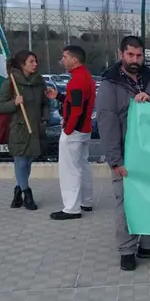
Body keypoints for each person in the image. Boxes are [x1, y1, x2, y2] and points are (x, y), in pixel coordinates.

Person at [98, 36, 150, 271]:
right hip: (127, 154)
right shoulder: (110, 83)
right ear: (121, 54)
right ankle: (127, 250)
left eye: (139, 55)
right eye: (130, 55)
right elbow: (107, 122)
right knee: (126, 203)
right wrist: (115, 160)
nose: (135, 60)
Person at [0, 50, 50, 211]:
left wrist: (45, 119)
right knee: (20, 162)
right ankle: (27, 194)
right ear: (22, 64)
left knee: (28, 162)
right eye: (31, 61)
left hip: (35, 128)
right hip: (18, 129)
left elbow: (45, 104)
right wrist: (14, 102)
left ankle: (18, 191)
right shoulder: (10, 82)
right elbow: (0, 106)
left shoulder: (39, 82)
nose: (35, 64)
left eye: (35, 61)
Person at [48, 45, 97, 221]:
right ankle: (86, 201)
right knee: (83, 165)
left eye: (65, 57)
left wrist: (68, 129)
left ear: (74, 60)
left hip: (75, 130)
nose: (63, 60)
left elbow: (76, 109)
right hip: (84, 128)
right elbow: (76, 102)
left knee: (70, 169)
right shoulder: (85, 76)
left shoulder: (77, 80)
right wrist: (59, 97)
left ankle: (71, 208)